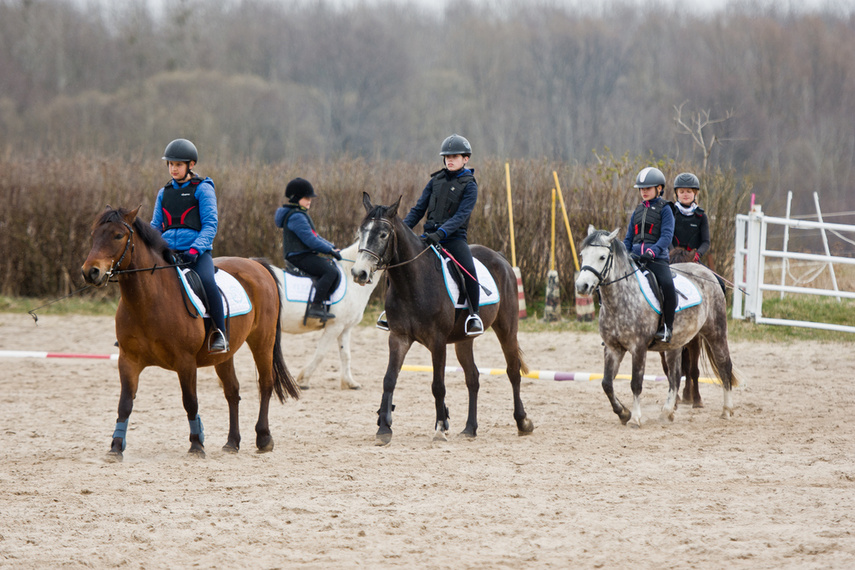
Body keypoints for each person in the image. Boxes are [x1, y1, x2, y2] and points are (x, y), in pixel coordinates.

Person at [400, 133, 483, 336]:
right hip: (428, 237)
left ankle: (474, 315)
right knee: (399, 260)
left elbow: (462, 215)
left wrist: (441, 233)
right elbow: (418, 209)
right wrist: (400, 230)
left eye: (454, 156)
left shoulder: (470, 185)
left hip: (454, 239)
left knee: (469, 270)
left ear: (465, 159)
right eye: (447, 157)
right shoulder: (435, 181)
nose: (450, 160)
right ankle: (391, 310)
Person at [151, 138, 229, 354]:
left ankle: (219, 332)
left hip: (196, 254)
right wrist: (154, 248)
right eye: (170, 164)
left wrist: (195, 250)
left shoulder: (203, 189)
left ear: (191, 165)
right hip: (167, 253)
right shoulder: (163, 192)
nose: (173, 169)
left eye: (178, 164)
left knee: (207, 282)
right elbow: (155, 226)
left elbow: (210, 225)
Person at [274, 178, 342, 321]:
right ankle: (316, 306)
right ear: (296, 198)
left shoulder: (298, 214)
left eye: (310, 198)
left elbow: (315, 236)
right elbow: (311, 241)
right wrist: (330, 251)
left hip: (302, 255)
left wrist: (332, 247)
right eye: (306, 198)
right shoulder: (296, 217)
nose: (309, 200)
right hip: (299, 257)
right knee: (330, 271)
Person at [623, 166, 676, 343]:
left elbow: (667, 236)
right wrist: (624, 253)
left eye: (647, 188)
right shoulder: (637, 210)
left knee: (668, 286)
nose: (643, 192)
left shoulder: (666, 208)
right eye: (641, 189)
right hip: (636, 259)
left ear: (659, 188)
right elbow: (629, 237)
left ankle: (668, 327)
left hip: (657, 259)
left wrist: (652, 251)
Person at [670, 172, 710, 263]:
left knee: (715, 278)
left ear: (695, 193)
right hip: (672, 258)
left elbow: (706, 242)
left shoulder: (701, 216)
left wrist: (697, 254)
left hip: (692, 259)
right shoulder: (671, 213)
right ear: (677, 193)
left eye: (689, 191)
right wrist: (672, 254)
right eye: (682, 192)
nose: (685, 194)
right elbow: (667, 237)